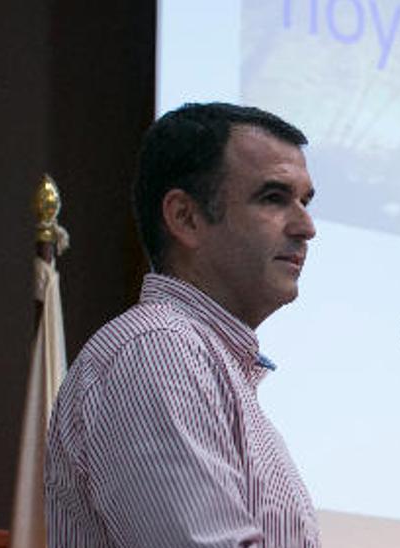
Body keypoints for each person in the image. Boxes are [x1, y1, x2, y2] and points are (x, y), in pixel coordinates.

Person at [45, 103, 320, 547]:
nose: (306, 227)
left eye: (305, 201)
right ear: (185, 218)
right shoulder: (156, 351)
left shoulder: (212, 364)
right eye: (274, 198)